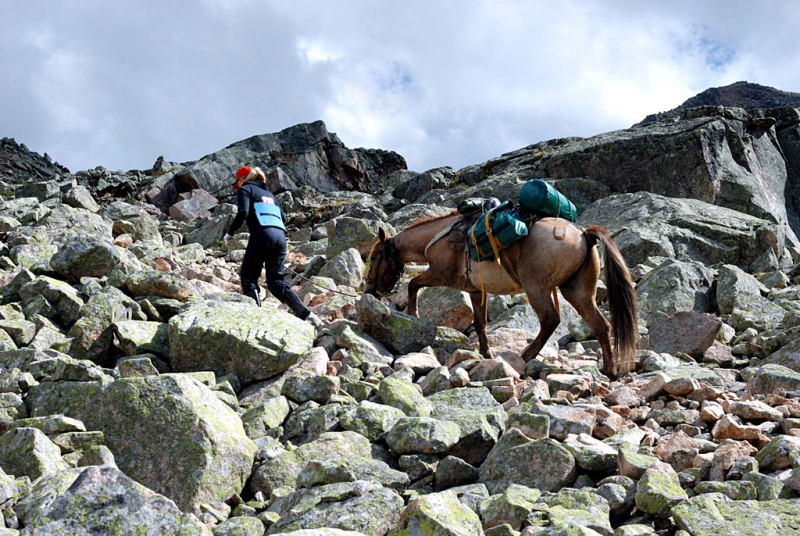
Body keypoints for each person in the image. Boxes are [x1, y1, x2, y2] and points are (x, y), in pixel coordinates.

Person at [223, 166, 322, 327]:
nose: (238, 187)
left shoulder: (246, 189)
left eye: (238, 183)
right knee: (276, 281)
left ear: (242, 179)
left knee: (248, 277)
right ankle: (303, 313)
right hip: (280, 238)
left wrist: (230, 233)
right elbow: (282, 217)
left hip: (261, 236)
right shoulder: (270, 195)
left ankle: (256, 317)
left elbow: (242, 212)